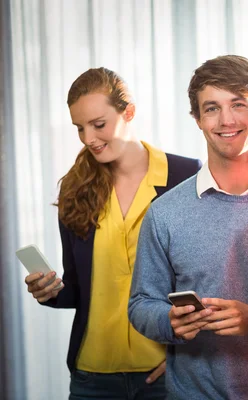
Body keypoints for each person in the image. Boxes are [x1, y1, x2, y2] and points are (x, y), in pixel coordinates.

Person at [128, 55, 248, 400]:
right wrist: (169, 321)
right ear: (197, 119)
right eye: (211, 108)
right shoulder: (165, 212)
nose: (227, 120)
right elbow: (141, 303)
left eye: (238, 104)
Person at [23, 67, 201, 399]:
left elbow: (206, 279)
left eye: (99, 124)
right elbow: (77, 289)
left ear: (128, 112)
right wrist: (49, 291)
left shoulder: (186, 175)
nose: (88, 138)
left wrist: (186, 356)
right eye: (79, 128)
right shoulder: (76, 189)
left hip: (165, 372)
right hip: (93, 376)